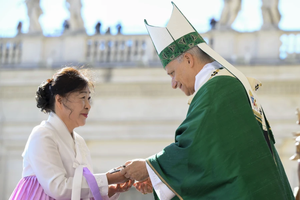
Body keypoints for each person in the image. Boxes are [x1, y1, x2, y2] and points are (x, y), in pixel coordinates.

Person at [121, 2, 294, 199]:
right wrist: (160, 177)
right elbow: (215, 162)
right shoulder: (223, 85)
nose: (173, 83)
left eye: (172, 73)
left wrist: (151, 168)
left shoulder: (216, 90)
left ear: (188, 59)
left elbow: (193, 149)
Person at [9, 67, 133, 200]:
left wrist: (109, 190)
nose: (88, 105)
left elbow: (77, 192)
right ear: (60, 101)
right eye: (82, 97)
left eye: (89, 98)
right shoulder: (42, 135)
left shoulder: (79, 142)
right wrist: (109, 178)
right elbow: (58, 188)